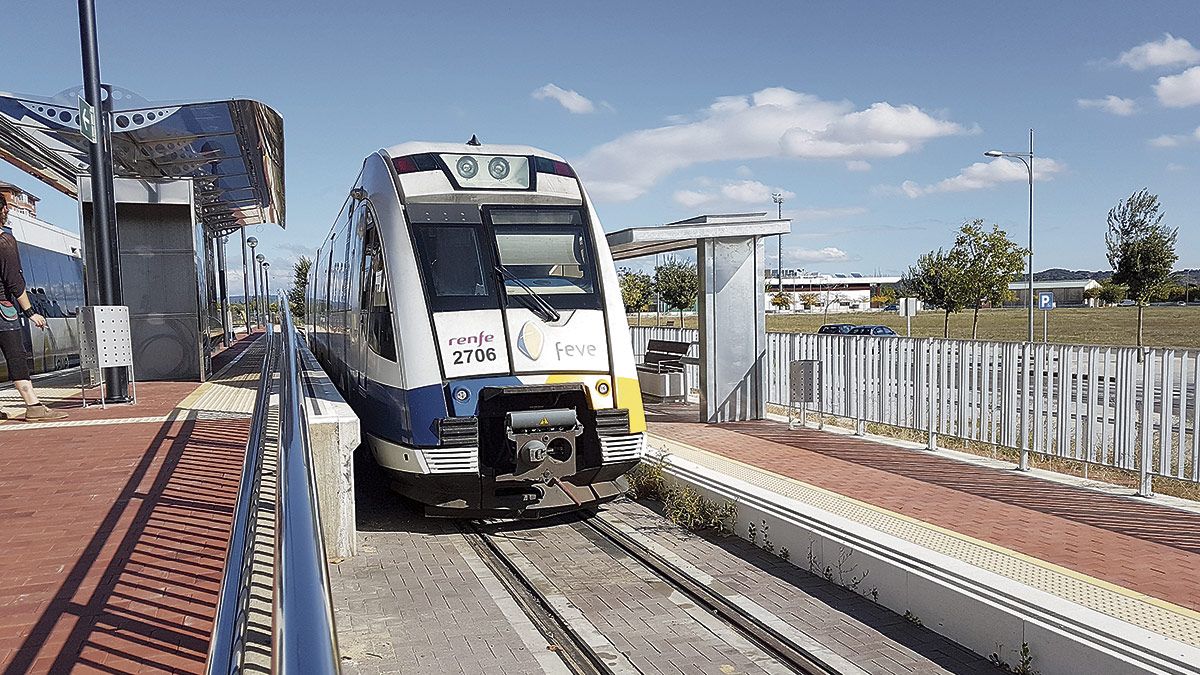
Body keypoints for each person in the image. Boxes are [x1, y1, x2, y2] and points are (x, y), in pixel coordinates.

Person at [0, 193, 67, 421]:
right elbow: (15, 283)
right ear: (3, 212)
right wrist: (31, 312)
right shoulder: (5, 242)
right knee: (16, 357)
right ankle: (34, 407)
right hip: (3, 312)